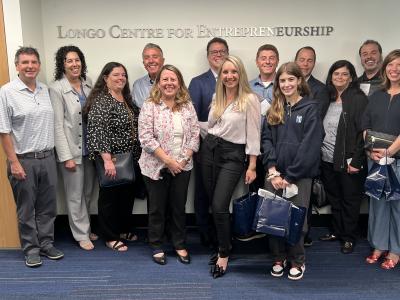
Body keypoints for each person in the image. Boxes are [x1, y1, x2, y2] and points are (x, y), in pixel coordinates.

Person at [0, 47, 64, 267]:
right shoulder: (7, 92)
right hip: (23, 159)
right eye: (25, 62)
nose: (30, 66)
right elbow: (4, 131)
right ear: (17, 65)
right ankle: (31, 249)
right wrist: (13, 162)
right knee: (26, 209)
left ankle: (46, 243)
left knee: (48, 207)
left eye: (34, 62)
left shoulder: (45, 90)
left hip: (48, 158)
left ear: (38, 65)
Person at [261, 62, 323, 280]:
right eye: (282, 80)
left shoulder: (310, 109)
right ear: (278, 83)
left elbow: (310, 146)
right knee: (273, 217)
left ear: (299, 81)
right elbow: (266, 140)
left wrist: (290, 176)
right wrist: (272, 170)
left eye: (291, 79)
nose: (286, 84)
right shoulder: (274, 108)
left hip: (299, 177)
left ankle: (297, 260)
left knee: (297, 221)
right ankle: (278, 257)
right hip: (274, 175)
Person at [200, 55, 261, 278]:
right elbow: (212, 126)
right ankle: (220, 244)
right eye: (225, 72)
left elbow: (254, 134)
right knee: (212, 203)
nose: (229, 76)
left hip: (233, 155)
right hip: (209, 150)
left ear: (240, 74)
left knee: (219, 205)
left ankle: (224, 252)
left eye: (234, 72)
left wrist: (252, 165)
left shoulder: (250, 99)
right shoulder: (217, 96)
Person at [138, 64, 200, 265]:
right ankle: (156, 245)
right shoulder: (150, 105)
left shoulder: (187, 105)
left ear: (179, 83)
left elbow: (195, 135)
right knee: (156, 208)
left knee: (178, 208)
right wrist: (169, 161)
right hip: (155, 166)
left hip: (182, 166)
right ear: (158, 83)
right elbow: (146, 138)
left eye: (173, 79)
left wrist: (182, 161)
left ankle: (179, 244)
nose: (169, 83)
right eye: (165, 79)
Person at [85, 62, 141, 251]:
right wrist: (107, 160)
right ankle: (110, 236)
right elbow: (97, 131)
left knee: (126, 197)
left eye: (123, 75)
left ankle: (123, 229)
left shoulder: (125, 98)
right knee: (109, 198)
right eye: (116, 75)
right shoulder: (102, 101)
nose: (121, 78)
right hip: (112, 159)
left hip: (129, 158)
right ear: (105, 78)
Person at [49, 45, 97, 251]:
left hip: (90, 149)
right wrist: (65, 156)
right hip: (71, 150)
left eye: (77, 60)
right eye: (69, 61)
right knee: (74, 195)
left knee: (87, 192)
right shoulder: (56, 88)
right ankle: (81, 234)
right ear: (62, 64)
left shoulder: (88, 85)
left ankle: (84, 227)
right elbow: (57, 125)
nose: (74, 64)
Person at [318, 60, 368, 255]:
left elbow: (364, 132)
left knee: (350, 200)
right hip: (327, 159)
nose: (340, 77)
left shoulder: (358, 98)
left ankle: (348, 237)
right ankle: (337, 232)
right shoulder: (327, 97)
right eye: (336, 73)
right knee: (335, 198)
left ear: (352, 77)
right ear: (331, 76)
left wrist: (357, 160)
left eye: (344, 74)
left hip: (349, 160)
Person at [188, 37, 229, 247]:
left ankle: (221, 232)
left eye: (222, 51)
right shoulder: (197, 82)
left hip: (230, 149)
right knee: (203, 191)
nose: (218, 54)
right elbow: (191, 116)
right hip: (205, 147)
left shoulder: (234, 81)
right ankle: (205, 233)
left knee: (222, 193)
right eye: (214, 51)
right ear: (207, 56)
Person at [362, 49, 400, 269]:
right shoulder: (376, 94)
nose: (394, 69)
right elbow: (365, 125)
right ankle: (378, 245)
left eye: (399, 65)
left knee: (396, 204)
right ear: (385, 68)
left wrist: (389, 152)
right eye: (391, 65)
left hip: (396, 160)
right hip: (375, 159)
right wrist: (370, 151)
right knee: (378, 203)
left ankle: (395, 250)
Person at [294, 46, 330, 247]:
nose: (305, 64)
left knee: (304, 195)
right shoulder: (288, 83)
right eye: (302, 59)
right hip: (287, 149)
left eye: (309, 60)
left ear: (314, 63)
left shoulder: (321, 89)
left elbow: (316, 121)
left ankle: (303, 234)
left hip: (308, 150)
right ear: (296, 61)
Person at [249, 44, 279, 115]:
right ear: (257, 62)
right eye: (263, 58)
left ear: (277, 61)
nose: (267, 62)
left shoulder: (285, 86)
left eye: (271, 58)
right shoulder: (247, 87)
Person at [132, 43, 165, 108]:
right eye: (146, 58)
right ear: (143, 63)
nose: (151, 61)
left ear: (163, 61)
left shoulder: (174, 82)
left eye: (155, 57)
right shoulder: (138, 85)